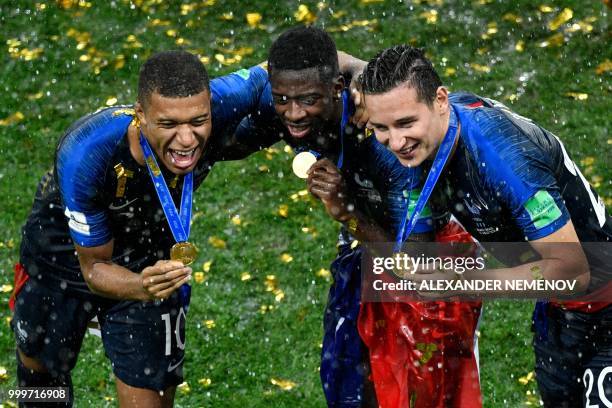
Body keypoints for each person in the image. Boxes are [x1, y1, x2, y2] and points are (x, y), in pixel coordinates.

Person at [10, 50, 274, 407]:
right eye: (169, 125)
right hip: (63, 254)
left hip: (149, 255)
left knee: (152, 395)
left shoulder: (223, 98)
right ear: (140, 116)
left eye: (198, 121)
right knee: (39, 378)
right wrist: (139, 286)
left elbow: (297, 64)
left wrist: (362, 77)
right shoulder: (86, 152)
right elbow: (94, 268)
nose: (186, 140)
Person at [237, 26, 482, 407]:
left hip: (434, 258)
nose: (294, 113)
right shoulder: (304, 101)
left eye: (307, 100)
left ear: (337, 88)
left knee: (428, 392)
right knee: (347, 378)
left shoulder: (391, 144)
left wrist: (346, 211)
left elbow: (415, 264)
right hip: (366, 248)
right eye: (282, 99)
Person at [360, 45, 612, 406]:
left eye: (405, 124)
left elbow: (574, 273)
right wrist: (347, 213)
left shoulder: (504, 159)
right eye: (380, 128)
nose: (396, 142)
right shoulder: (424, 139)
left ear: (441, 100)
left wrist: (463, 282)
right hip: (558, 312)